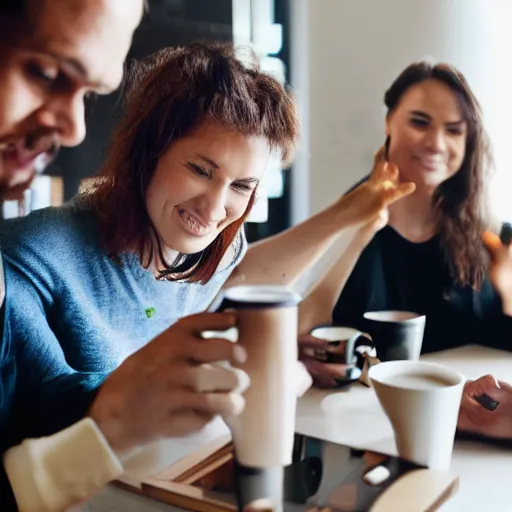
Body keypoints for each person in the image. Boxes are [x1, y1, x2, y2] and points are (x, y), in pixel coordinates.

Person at [0, 8, 415, 507]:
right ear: (146, 151)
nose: (215, 208)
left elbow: (243, 276)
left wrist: (354, 213)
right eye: (200, 169)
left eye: (241, 186)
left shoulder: (207, 247)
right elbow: (47, 404)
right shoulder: (30, 256)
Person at [297, 60, 512, 439]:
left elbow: (494, 337)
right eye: (419, 122)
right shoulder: (350, 222)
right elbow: (307, 331)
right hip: (359, 428)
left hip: (462, 430)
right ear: (389, 122)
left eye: (454, 130)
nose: (436, 143)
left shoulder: (484, 233)